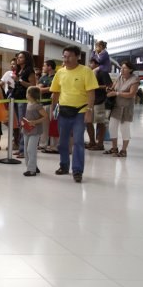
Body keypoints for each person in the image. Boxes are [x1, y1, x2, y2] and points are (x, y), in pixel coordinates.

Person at [49, 45, 99, 183]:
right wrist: (53, 109)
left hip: (80, 111)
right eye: (64, 56)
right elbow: (55, 92)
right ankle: (64, 166)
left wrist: (89, 111)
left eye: (70, 56)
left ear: (77, 57)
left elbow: (91, 93)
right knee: (62, 143)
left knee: (78, 141)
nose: (67, 59)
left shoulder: (86, 71)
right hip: (63, 111)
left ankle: (77, 170)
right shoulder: (60, 72)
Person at [104, 60, 140, 157]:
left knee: (125, 129)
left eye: (124, 68)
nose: (122, 70)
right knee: (112, 127)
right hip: (116, 106)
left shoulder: (135, 80)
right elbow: (113, 87)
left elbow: (131, 94)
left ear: (130, 70)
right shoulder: (119, 77)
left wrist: (117, 93)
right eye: (121, 68)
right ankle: (114, 148)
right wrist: (110, 89)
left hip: (126, 107)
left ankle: (124, 150)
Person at [11, 51, 37, 158]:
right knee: (20, 124)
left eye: (21, 57)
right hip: (17, 98)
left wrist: (19, 80)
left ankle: (24, 149)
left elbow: (32, 85)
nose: (18, 59)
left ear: (26, 59)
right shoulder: (18, 70)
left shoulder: (29, 70)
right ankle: (21, 148)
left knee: (24, 124)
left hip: (24, 99)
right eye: (18, 57)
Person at [85, 57, 112, 151]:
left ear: (97, 64)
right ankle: (92, 141)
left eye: (92, 63)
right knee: (88, 122)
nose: (90, 65)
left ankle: (100, 143)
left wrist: (95, 86)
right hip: (89, 101)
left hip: (100, 100)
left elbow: (109, 86)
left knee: (100, 123)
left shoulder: (103, 73)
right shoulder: (90, 73)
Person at [22, 86, 47, 176]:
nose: (26, 95)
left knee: (31, 149)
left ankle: (31, 169)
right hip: (27, 129)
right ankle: (32, 166)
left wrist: (35, 122)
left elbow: (45, 116)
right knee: (26, 149)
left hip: (35, 131)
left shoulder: (37, 106)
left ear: (31, 95)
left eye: (27, 93)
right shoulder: (28, 104)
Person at [37, 60, 57, 152]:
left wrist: (44, 88)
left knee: (53, 124)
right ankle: (43, 144)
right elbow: (38, 88)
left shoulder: (56, 76)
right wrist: (46, 88)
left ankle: (53, 145)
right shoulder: (43, 77)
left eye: (44, 66)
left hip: (52, 103)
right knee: (44, 125)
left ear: (49, 67)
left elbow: (53, 89)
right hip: (43, 104)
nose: (43, 67)